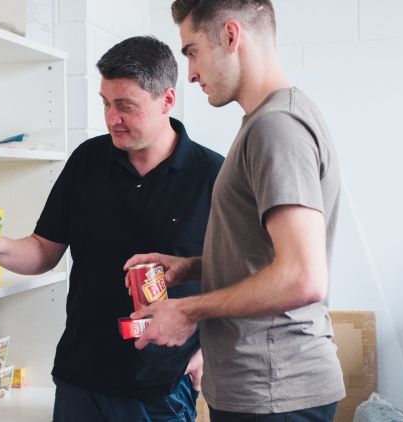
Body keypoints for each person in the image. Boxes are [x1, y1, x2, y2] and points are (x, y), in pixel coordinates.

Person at [0, 35, 223, 421]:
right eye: (106, 103)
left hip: (162, 385)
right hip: (80, 377)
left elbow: (239, 278)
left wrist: (207, 353)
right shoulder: (88, 160)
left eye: (125, 106)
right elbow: (44, 249)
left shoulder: (213, 175)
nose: (111, 118)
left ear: (167, 100)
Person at [124, 1, 346, 421]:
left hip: (275, 392)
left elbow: (303, 277)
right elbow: (265, 257)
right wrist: (190, 267)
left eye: (192, 51)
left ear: (230, 36)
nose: (190, 73)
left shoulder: (277, 127)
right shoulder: (267, 122)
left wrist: (187, 310)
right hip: (262, 389)